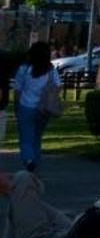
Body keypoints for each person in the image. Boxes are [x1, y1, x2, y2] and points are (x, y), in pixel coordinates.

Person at [11, 43, 61, 173]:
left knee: (26, 138)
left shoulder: (24, 69)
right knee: (37, 138)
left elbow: (17, 90)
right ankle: (36, 167)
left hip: (26, 106)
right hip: (43, 108)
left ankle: (29, 161)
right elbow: (57, 87)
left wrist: (16, 107)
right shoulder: (51, 70)